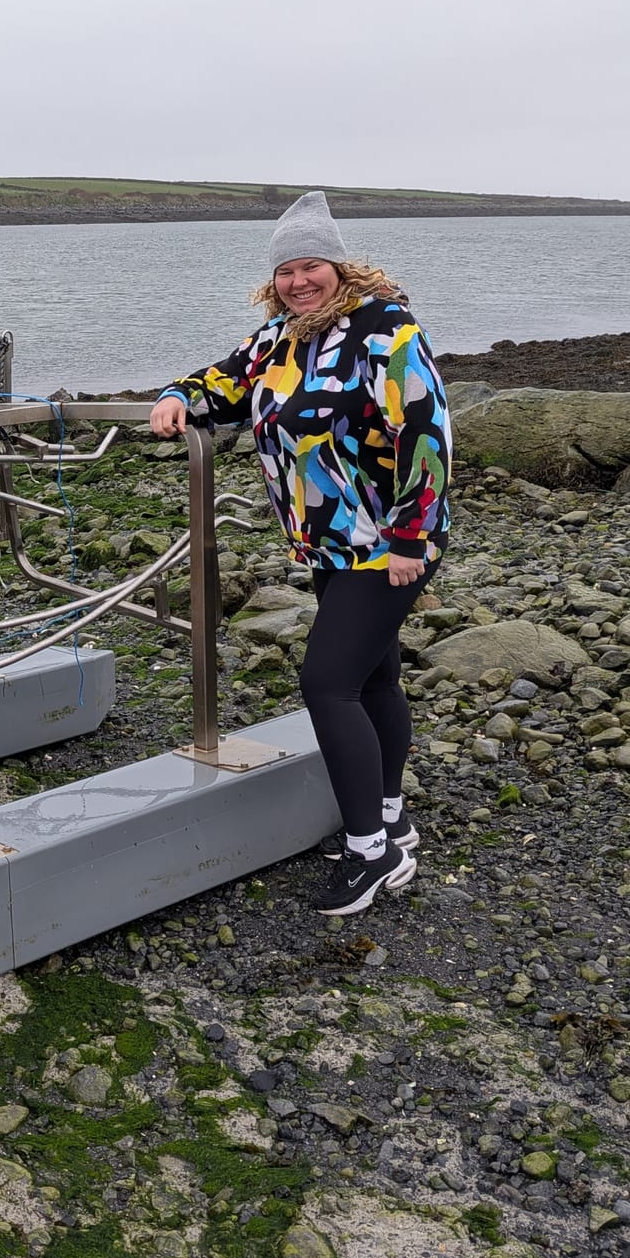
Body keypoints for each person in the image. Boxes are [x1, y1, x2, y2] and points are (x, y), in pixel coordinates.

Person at [150, 191, 451, 916]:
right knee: (374, 681)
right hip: (328, 545)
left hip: (387, 545)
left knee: (328, 684)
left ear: (340, 266)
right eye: (286, 270)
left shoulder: (388, 330)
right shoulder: (277, 340)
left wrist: (413, 537)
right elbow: (220, 385)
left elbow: (427, 431)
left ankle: (370, 855)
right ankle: (391, 818)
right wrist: (174, 397)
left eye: (310, 265)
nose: (297, 281)